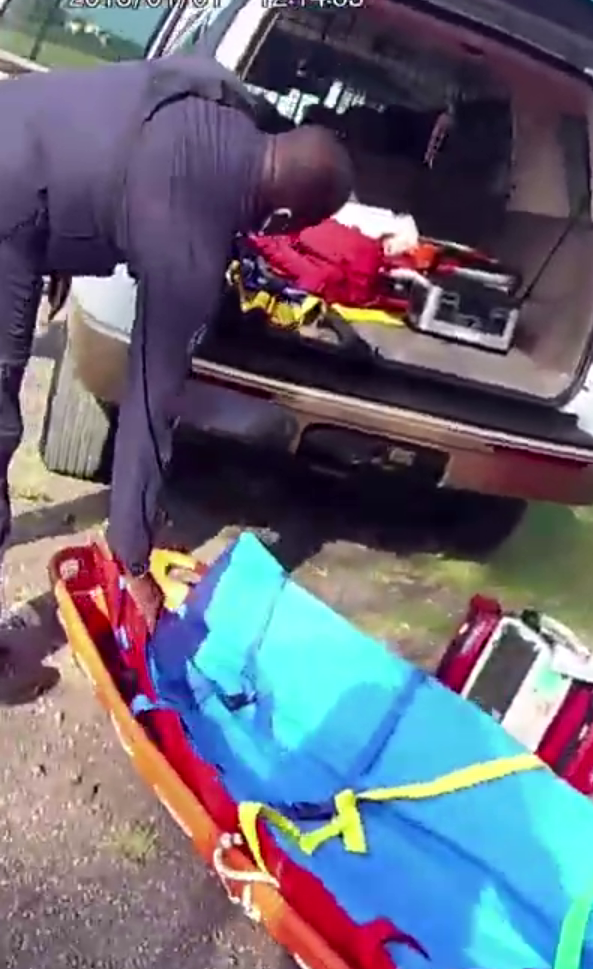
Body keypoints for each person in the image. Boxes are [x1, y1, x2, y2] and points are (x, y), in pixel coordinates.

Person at [0, 54, 354, 703]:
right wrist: (132, 556)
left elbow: (112, 145)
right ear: (280, 222)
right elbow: (150, 400)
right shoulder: (195, 236)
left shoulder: (217, 99)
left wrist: (61, 242)